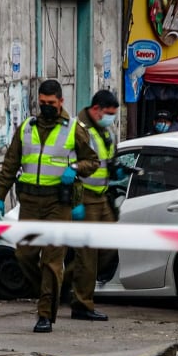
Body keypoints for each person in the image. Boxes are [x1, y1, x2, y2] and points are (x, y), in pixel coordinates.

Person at [0, 80, 99, 333]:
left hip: (57, 203)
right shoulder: (27, 128)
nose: (46, 107)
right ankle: (51, 289)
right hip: (29, 202)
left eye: (51, 103)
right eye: (42, 103)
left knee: (52, 262)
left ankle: (44, 315)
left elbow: (92, 162)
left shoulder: (74, 129)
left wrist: (74, 169)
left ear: (61, 102)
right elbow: (10, 164)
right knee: (23, 255)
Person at [63, 90, 120, 322]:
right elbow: (71, 162)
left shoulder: (105, 130)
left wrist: (116, 169)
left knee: (108, 246)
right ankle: (82, 305)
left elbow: (107, 158)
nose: (111, 118)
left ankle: (59, 285)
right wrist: (75, 200)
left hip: (102, 197)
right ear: (96, 109)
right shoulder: (79, 129)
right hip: (84, 196)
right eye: (108, 114)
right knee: (87, 254)